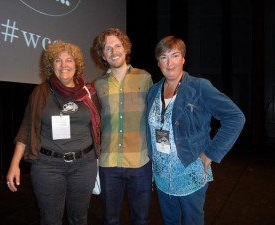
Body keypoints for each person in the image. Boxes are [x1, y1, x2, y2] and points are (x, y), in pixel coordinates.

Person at [146, 36, 245, 225]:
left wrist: (211, 153)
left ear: (183, 59)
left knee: (192, 221)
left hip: (189, 171)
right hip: (161, 174)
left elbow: (235, 117)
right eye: (164, 57)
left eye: (175, 55)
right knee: (170, 221)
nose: (169, 62)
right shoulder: (154, 91)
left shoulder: (199, 87)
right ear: (158, 62)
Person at [6, 40, 101, 225]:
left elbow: (98, 125)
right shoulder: (40, 92)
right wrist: (14, 164)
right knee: (50, 219)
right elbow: (26, 128)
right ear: (51, 65)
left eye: (69, 60)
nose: (64, 65)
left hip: (84, 165)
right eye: (58, 60)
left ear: (77, 65)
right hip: (48, 166)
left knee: (79, 218)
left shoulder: (88, 92)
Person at [92, 28, 153, 225]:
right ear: (102, 55)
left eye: (117, 46)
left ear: (126, 48)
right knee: (110, 220)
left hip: (140, 163)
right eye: (108, 48)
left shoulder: (144, 78)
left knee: (141, 219)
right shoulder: (97, 84)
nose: (113, 51)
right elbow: (94, 121)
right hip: (109, 164)